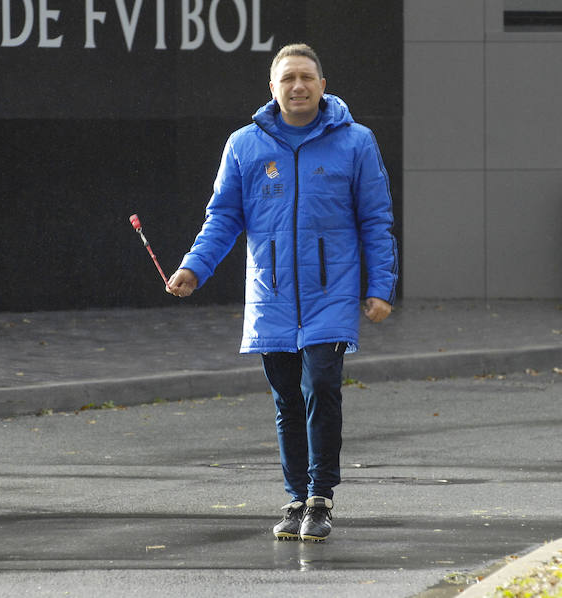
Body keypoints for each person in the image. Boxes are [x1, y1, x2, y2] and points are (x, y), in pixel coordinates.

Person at [165, 43, 398, 542]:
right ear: (272, 88)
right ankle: (295, 500)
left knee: (322, 388)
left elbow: (376, 221)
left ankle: (321, 498)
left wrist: (379, 287)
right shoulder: (244, 145)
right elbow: (223, 218)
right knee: (287, 400)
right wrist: (193, 268)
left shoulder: (356, 143)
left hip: (330, 293)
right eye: (288, 78)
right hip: (270, 295)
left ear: (322, 85)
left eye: (307, 77)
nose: (298, 86)